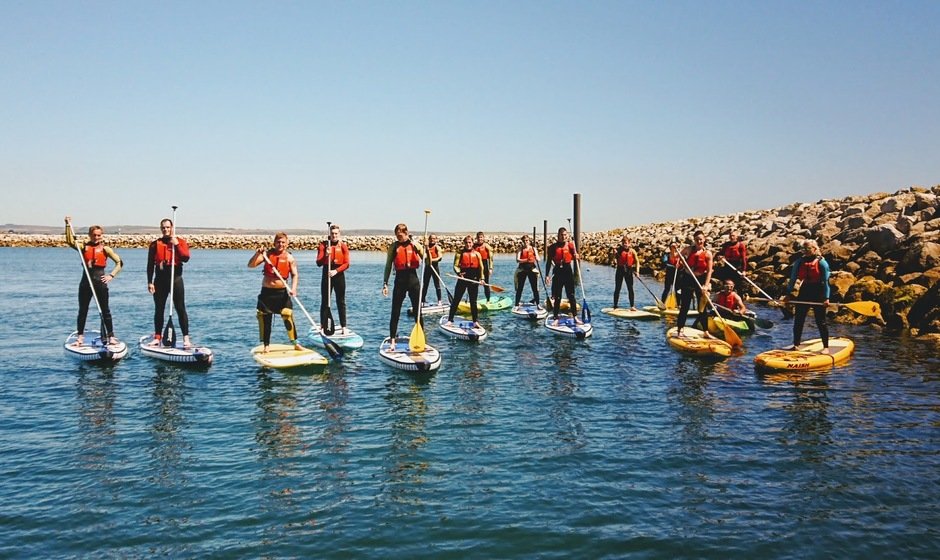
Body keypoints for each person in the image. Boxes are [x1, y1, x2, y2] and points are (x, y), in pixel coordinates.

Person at [65, 216, 123, 346]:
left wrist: (111, 276)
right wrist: (68, 225)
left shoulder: (105, 249)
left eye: (99, 235)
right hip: (86, 282)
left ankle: (111, 336)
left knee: (105, 310)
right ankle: (80, 337)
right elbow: (69, 241)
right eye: (94, 235)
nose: (96, 237)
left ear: (101, 236)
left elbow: (119, 262)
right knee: (83, 310)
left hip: (100, 282)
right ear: (90, 235)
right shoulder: (83, 247)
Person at [247, 232, 303, 353]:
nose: (280, 244)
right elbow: (250, 265)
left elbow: (295, 274)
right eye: (278, 242)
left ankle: (295, 343)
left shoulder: (289, 257)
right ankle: (266, 345)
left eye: (283, 242)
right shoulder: (266, 254)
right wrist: (257, 254)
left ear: (287, 244)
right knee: (265, 317)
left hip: (282, 292)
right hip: (266, 292)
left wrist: (293, 288)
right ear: (274, 243)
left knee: (287, 314)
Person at [146, 217, 191, 347]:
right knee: (159, 309)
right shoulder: (155, 244)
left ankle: (186, 338)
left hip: (175, 279)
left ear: (172, 228)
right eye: (163, 227)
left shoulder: (180, 242)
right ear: (161, 229)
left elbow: (185, 258)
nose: (166, 229)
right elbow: (150, 265)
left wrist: (176, 244)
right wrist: (150, 282)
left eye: (168, 227)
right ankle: (157, 337)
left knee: (180, 308)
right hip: (160, 280)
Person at [382, 223, 425, 350]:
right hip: (399, 280)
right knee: (395, 311)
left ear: (406, 233)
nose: (398, 238)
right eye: (397, 235)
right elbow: (388, 266)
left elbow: (427, 260)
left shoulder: (414, 245)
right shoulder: (394, 247)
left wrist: (420, 247)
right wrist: (385, 283)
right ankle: (393, 340)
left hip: (413, 280)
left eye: (400, 235)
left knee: (418, 312)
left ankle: (421, 339)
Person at [782, 239, 830, 350]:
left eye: (808, 248)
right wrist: (788, 294)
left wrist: (826, 298)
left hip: (818, 291)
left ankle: (826, 347)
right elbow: (793, 279)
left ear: (814, 249)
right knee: (799, 319)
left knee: (820, 321)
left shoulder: (821, 262)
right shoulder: (799, 262)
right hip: (805, 290)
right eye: (804, 249)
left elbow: (826, 282)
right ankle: (796, 344)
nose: (806, 251)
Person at [676, 230, 712, 335]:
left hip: (700, 280)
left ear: (704, 240)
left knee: (702, 307)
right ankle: (680, 328)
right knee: (685, 305)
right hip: (687, 279)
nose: (699, 241)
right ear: (694, 240)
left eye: (701, 239)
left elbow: (709, 271)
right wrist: (679, 262)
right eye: (697, 240)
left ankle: (705, 331)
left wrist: (706, 285)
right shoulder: (688, 249)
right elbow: (677, 257)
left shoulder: (708, 254)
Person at [316, 224, 350, 334]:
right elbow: (318, 263)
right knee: (325, 301)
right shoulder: (323, 245)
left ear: (339, 234)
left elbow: (347, 263)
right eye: (332, 233)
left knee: (341, 301)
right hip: (327, 273)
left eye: (336, 233)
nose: (334, 235)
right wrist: (326, 255)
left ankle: (343, 326)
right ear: (329, 234)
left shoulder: (343, 246)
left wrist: (336, 271)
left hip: (338, 274)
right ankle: (322, 325)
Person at [545, 227, 580, 324]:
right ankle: (556, 317)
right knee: (558, 297)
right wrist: (547, 275)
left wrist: (577, 256)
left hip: (568, 271)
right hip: (557, 272)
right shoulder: (553, 247)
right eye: (561, 235)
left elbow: (576, 256)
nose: (563, 237)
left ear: (567, 235)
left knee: (571, 296)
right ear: (558, 235)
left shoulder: (571, 246)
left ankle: (575, 317)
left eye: (565, 235)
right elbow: (548, 262)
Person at [446, 235, 482, 327]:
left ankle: (475, 321)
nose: (468, 244)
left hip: (474, 280)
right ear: (464, 243)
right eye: (466, 243)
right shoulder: (459, 253)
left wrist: (482, 279)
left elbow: (481, 268)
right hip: (462, 279)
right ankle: (450, 320)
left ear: (472, 243)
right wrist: (459, 273)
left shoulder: (477, 254)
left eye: (470, 242)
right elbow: (455, 265)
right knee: (456, 300)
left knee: (473, 302)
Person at [514, 234, 540, 307]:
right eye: (524, 241)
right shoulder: (520, 249)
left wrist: (536, 257)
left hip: (532, 270)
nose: (526, 242)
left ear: (529, 241)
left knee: (535, 288)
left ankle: (538, 304)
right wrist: (526, 260)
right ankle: (516, 304)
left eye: (527, 240)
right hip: (522, 270)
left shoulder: (533, 249)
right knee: (520, 288)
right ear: (522, 241)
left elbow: (538, 258)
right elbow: (517, 260)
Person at [613, 235, 638, 310]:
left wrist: (637, 271)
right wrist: (614, 254)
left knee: (630, 288)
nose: (625, 244)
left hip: (629, 271)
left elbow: (637, 262)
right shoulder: (618, 251)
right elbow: (613, 260)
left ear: (629, 243)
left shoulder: (632, 251)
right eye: (623, 243)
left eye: (626, 243)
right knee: (618, 288)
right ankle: (615, 305)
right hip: (620, 270)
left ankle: (632, 306)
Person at [421, 233, 444, 306]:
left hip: (435, 267)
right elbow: (423, 256)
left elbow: (439, 257)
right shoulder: (425, 248)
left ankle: (439, 301)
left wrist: (431, 260)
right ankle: (423, 301)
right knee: (425, 285)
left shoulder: (437, 247)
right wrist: (427, 260)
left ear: (436, 239)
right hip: (427, 268)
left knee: (437, 284)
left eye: (434, 238)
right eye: (431, 238)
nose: (432, 240)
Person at [473, 231, 494, 301]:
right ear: (476, 238)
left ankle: (488, 300)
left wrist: (490, 268)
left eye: (481, 237)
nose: (480, 239)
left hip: (485, 265)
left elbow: (491, 258)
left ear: (483, 238)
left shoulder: (486, 246)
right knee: (475, 284)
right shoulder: (473, 246)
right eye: (478, 237)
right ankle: (474, 300)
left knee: (486, 283)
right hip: (476, 266)